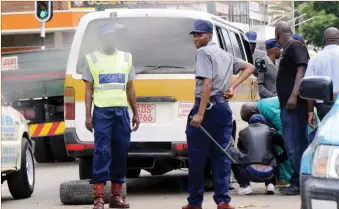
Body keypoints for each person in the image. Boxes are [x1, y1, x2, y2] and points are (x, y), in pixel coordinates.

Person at [183, 19, 255, 209]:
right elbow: (250, 68)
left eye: (200, 35)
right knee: (221, 155)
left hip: (206, 108)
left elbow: (206, 84)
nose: (196, 39)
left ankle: (194, 202)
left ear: (209, 35)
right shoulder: (226, 54)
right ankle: (223, 201)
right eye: (194, 35)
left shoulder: (203, 52)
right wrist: (232, 86)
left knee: (197, 157)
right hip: (223, 109)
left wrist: (199, 114)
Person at [82, 24, 140, 209]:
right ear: (101, 40)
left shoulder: (126, 58)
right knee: (102, 153)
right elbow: (88, 89)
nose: (111, 40)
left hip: (121, 112)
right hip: (102, 112)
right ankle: (98, 197)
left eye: (113, 37)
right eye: (107, 37)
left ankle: (116, 196)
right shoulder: (91, 59)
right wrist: (87, 115)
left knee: (120, 152)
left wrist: (136, 113)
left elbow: (130, 87)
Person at [230, 114, 278, 195]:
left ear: (249, 123)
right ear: (264, 123)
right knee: (276, 152)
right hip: (270, 172)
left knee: (232, 153)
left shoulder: (243, 132)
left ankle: (245, 185)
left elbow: (240, 149)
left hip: (250, 171)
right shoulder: (271, 131)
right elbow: (283, 146)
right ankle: (271, 184)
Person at [305, 27, 339, 125]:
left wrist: (310, 112)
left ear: (324, 40)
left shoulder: (315, 59)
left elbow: (309, 88)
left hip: (324, 107)